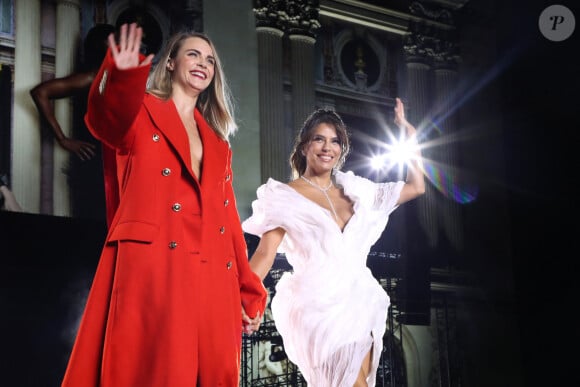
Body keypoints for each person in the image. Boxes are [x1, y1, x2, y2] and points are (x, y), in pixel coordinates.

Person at [61, 23, 267, 387]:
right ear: (170, 63)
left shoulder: (219, 144)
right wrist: (123, 75)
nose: (203, 63)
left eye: (210, 60)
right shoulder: (139, 112)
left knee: (214, 375)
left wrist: (247, 291)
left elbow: (228, 221)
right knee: (156, 372)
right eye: (192, 54)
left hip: (211, 272)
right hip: (156, 264)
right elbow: (104, 119)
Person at [242, 99, 425, 387]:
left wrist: (410, 136)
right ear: (304, 146)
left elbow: (416, 187)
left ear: (341, 149)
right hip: (317, 308)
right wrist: (244, 300)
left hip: (360, 302)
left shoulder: (358, 190)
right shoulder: (283, 196)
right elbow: (265, 253)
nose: (327, 147)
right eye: (319, 139)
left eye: (335, 141)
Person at [30, 23, 116, 223]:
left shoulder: (116, 79)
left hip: (115, 164)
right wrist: (63, 139)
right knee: (94, 226)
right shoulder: (90, 77)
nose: (118, 48)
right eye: (112, 44)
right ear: (99, 48)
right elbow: (40, 92)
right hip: (94, 164)